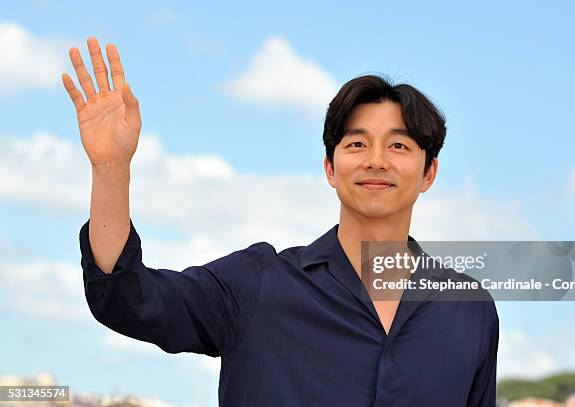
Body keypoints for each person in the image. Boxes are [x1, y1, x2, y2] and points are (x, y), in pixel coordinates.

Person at [64, 36, 499, 407]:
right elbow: (127, 299)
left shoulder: (469, 311)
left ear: (429, 173)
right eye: (357, 144)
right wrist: (110, 168)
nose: (376, 161)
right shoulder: (257, 284)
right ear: (330, 168)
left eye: (399, 146)